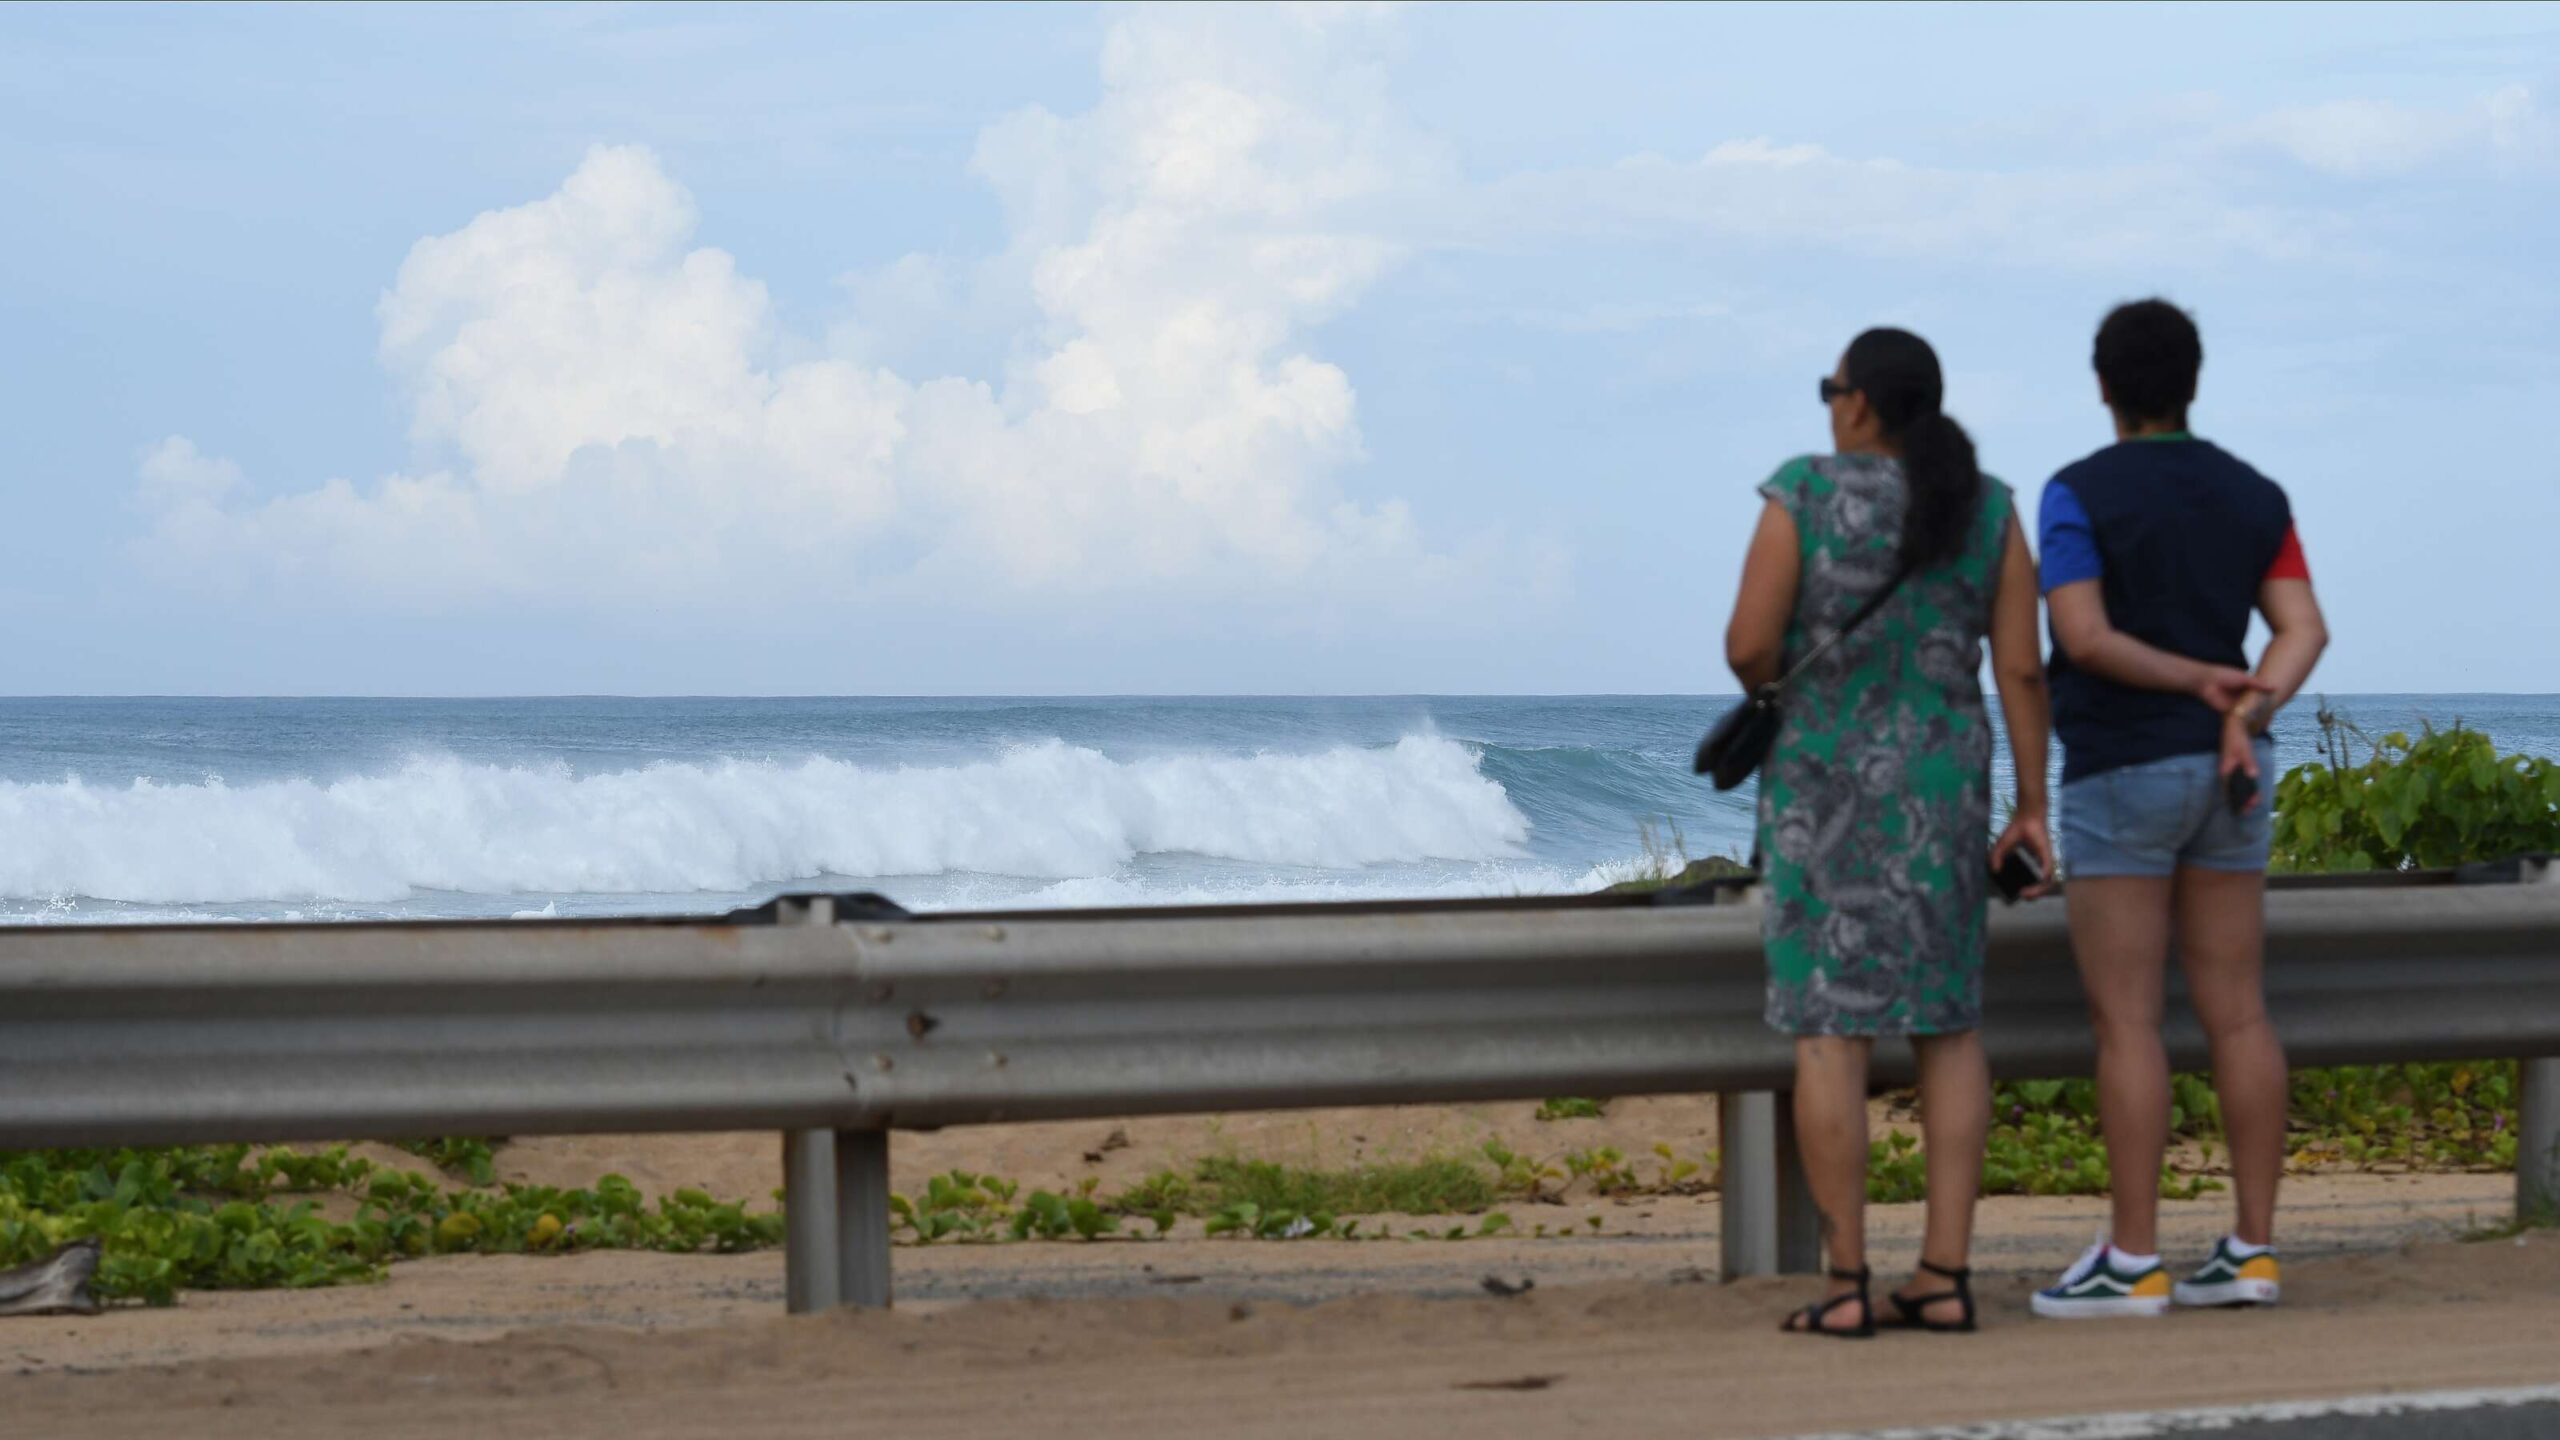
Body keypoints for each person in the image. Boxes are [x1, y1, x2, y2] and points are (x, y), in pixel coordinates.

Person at [1726, 327, 2055, 1339]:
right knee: (1948, 1027)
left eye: (1832, 390)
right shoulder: (1989, 507)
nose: (1829, 406)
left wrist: (1790, 687)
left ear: (1860, 401)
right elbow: (2021, 669)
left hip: (1820, 791)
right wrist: (2031, 806)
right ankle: (1944, 1276)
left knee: (1831, 1031)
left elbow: (1748, 644)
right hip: (1943, 793)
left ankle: (1844, 1288)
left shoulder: (1802, 493)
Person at [2030, 298, 2329, 1319]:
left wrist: (2188, 680)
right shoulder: (2255, 493)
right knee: (2238, 1011)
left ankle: (2132, 1258)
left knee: (2128, 1021)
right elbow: (2302, 629)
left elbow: (2081, 637)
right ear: (2193, 382)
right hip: (2233, 770)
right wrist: (2242, 704)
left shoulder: (2076, 492)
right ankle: (2251, 1250)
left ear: (2103, 385)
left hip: (2122, 766)